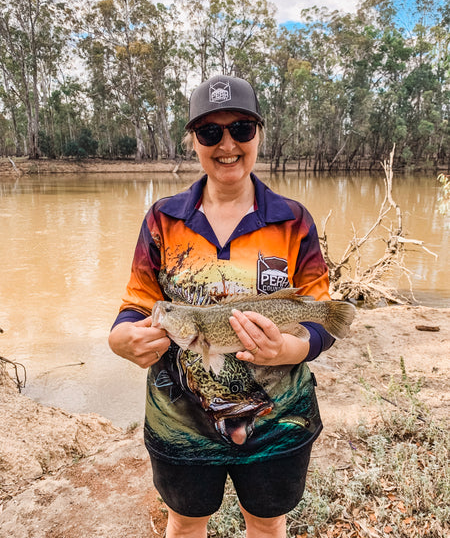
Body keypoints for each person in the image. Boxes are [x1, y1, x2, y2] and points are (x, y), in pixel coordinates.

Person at [109, 75, 335, 538]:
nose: (227, 143)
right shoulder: (163, 219)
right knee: (186, 521)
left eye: (241, 129)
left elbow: (321, 311)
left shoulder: (293, 221)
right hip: (180, 427)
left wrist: (290, 351)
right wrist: (121, 339)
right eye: (210, 132)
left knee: (268, 523)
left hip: (278, 424)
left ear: (259, 134)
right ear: (193, 140)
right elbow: (136, 306)